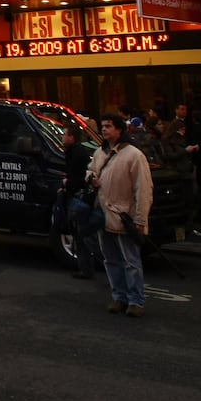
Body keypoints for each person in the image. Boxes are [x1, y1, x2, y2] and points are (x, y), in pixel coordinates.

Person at [89, 113, 152, 317]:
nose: (104, 129)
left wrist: (141, 220)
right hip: (104, 214)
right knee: (110, 259)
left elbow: (143, 190)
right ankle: (119, 297)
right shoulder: (100, 152)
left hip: (125, 216)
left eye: (108, 126)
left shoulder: (134, 155)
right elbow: (90, 170)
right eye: (102, 126)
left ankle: (136, 300)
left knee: (131, 261)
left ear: (118, 129)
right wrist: (91, 178)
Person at [62, 121, 97, 279]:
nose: (63, 137)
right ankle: (85, 267)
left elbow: (78, 178)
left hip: (79, 197)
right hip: (79, 196)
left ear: (72, 138)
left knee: (83, 234)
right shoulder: (76, 151)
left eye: (65, 134)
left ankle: (88, 266)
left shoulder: (76, 153)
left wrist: (67, 183)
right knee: (81, 235)